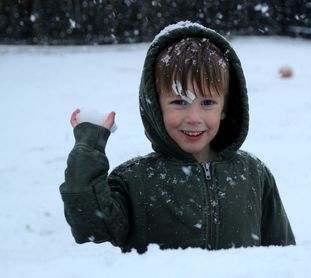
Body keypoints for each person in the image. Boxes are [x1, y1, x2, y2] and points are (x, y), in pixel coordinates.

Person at [60, 21, 295, 254]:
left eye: (208, 102)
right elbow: (90, 226)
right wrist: (88, 149)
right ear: (156, 107)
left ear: (225, 107)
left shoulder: (253, 175)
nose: (194, 117)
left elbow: (284, 255)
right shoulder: (136, 180)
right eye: (179, 102)